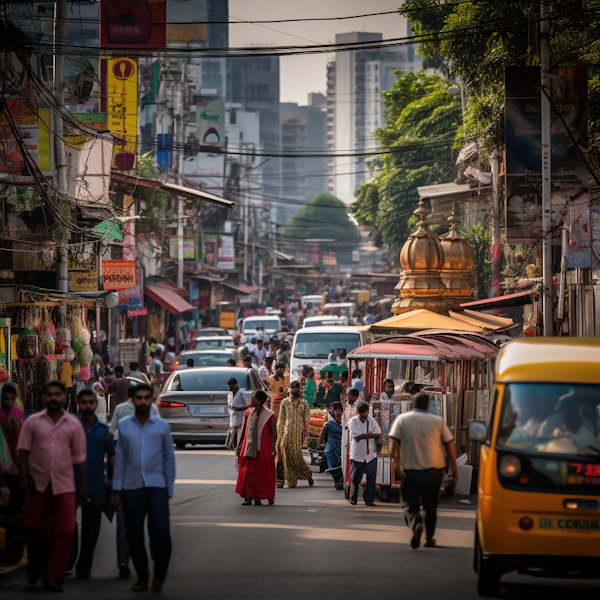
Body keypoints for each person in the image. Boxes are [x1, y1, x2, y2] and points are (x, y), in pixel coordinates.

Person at [18, 380, 87, 592]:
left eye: (58, 394)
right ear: (43, 397)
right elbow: (23, 451)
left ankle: (53, 576)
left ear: (65, 397)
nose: (54, 398)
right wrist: (23, 476)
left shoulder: (73, 424)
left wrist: (82, 488)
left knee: (65, 530)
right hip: (37, 484)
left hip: (64, 486)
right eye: (50, 394)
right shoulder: (32, 422)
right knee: (36, 527)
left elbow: (79, 459)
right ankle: (36, 564)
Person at [111, 384, 176, 593]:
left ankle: (159, 577)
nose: (142, 402)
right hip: (131, 487)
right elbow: (119, 458)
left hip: (157, 486)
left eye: (146, 398)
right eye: (138, 398)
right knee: (134, 535)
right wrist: (116, 489)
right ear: (133, 399)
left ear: (151, 399)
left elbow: (169, 458)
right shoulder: (123, 425)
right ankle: (142, 578)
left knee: (161, 534)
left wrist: (169, 486)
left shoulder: (161, 426)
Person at [389, 392, 459, 549]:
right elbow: (449, 444)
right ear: (428, 405)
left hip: (411, 470)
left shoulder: (402, 419)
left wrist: (396, 463)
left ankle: (416, 524)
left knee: (409, 504)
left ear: (412, 404)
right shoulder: (438, 421)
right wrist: (454, 467)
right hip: (434, 471)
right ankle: (429, 537)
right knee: (430, 505)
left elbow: (393, 445)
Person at [105, 386, 159, 578]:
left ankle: (127, 558)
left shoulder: (135, 410)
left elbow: (112, 434)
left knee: (132, 522)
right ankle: (124, 561)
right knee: (126, 522)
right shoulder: (129, 412)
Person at [75, 388, 116, 579]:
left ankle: (84, 567)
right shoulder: (70, 427)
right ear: (78, 403)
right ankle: (66, 561)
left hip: (97, 486)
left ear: (96, 404)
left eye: (91, 402)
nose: (88, 405)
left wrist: (113, 486)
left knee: (92, 530)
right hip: (69, 485)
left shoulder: (103, 431)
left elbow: (112, 457)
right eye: (84, 402)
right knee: (67, 527)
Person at [235, 390, 277, 506]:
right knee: (248, 472)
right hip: (249, 448)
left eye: (254, 398)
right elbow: (243, 431)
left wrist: (274, 449)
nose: (251, 400)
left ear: (260, 400)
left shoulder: (270, 415)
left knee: (263, 474)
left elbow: (274, 433)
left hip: (264, 449)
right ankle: (249, 497)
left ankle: (262, 496)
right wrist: (239, 447)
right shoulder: (248, 413)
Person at [276, 381, 314, 489]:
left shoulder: (304, 403)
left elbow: (307, 419)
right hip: (287, 434)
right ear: (290, 390)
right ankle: (291, 480)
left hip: (298, 434)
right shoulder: (285, 402)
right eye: (293, 390)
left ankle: (307, 474)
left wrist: (307, 435)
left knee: (296, 456)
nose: (295, 392)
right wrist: (279, 435)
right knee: (287, 456)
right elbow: (281, 419)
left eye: (297, 390)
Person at [348, 402, 381, 506]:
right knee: (355, 478)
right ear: (358, 413)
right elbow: (357, 437)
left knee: (371, 478)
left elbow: (378, 432)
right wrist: (372, 435)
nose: (364, 418)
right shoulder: (353, 421)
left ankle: (369, 499)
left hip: (370, 455)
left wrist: (371, 435)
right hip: (357, 454)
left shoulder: (371, 420)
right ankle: (353, 497)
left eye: (365, 415)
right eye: (362, 416)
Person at [319, 402, 344, 489]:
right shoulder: (330, 423)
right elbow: (323, 435)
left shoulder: (344, 422)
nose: (338, 414)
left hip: (342, 447)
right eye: (336, 411)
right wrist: (321, 443)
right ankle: (337, 481)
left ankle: (341, 480)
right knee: (333, 465)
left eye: (339, 411)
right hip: (332, 447)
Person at [226, 378, 248, 458]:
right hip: (233, 423)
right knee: (234, 444)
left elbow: (249, 406)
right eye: (229, 385)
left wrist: (240, 408)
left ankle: (240, 460)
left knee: (240, 443)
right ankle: (238, 458)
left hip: (241, 422)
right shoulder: (229, 395)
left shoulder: (242, 393)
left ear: (236, 385)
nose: (230, 387)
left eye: (232, 385)